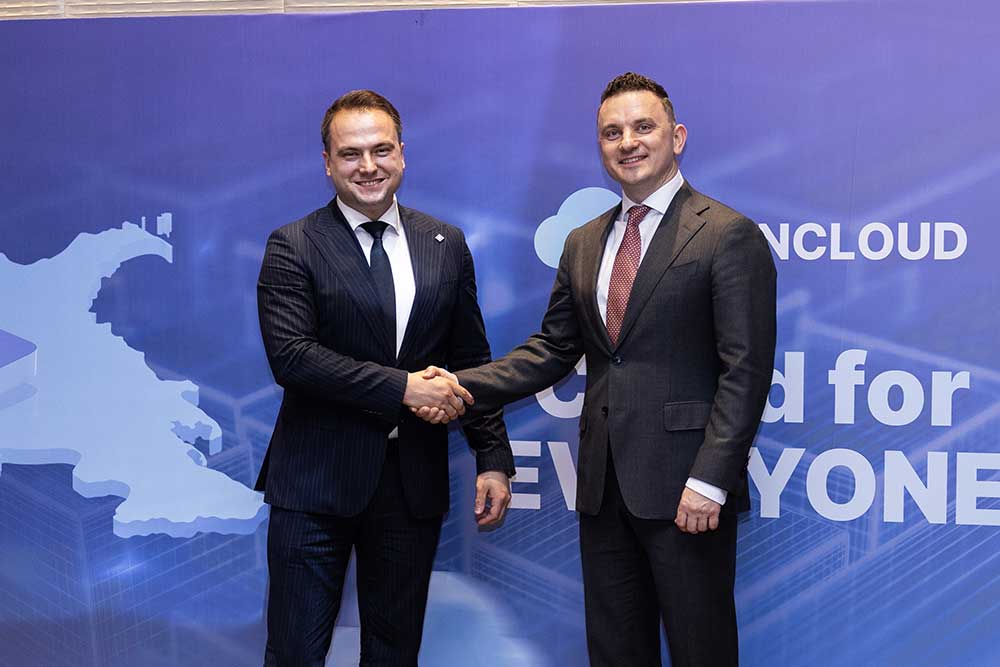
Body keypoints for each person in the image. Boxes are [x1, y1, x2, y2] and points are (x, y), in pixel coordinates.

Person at [419, 72, 776, 666]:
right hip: (603, 489)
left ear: (677, 137)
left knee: (701, 650)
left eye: (643, 127)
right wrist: (460, 383)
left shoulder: (726, 234)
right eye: (612, 133)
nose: (627, 142)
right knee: (614, 653)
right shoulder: (584, 242)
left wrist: (710, 480)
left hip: (687, 490)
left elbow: (746, 371)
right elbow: (552, 350)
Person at [255, 89, 514, 667]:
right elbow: (293, 357)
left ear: (402, 154)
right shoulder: (292, 245)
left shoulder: (445, 243)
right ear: (327, 163)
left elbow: (471, 357)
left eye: (381, 150)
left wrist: (493, 456)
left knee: (394, 654)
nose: (367, 166)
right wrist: (404, 388)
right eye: (350, 154)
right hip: (315, 483)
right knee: (294, 653)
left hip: (409, 483)